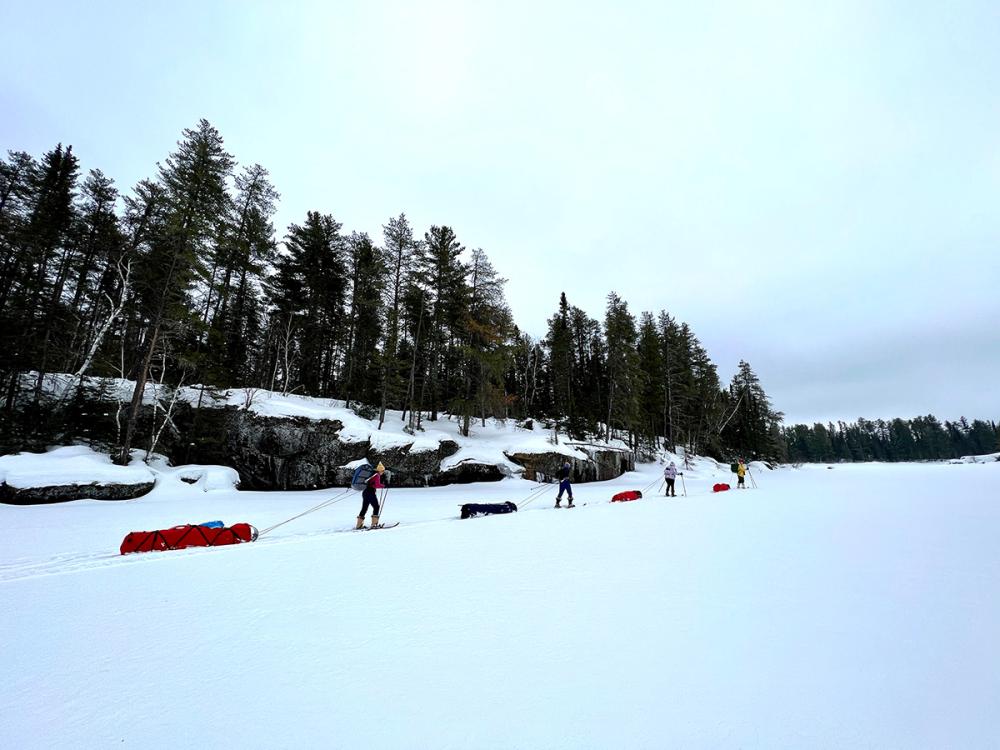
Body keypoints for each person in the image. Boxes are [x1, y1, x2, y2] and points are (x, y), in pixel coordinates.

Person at [357, 462, 386, 528]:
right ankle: (374, 524)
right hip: (370, 492)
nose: (383, 472)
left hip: (365, 492)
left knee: (364, 508)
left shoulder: (371, 475)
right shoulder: (377, 475)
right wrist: (384, 486)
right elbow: (377, 485)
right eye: (383, 471)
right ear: (380, 470)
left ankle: (358, 525)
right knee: (376, 507)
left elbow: (373, 484)